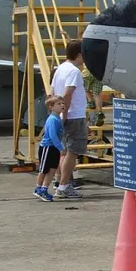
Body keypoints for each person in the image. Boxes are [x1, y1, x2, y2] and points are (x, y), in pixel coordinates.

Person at [49, 40, 90, 199]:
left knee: (64, 151)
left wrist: (57, 114)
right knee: (73, 152)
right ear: (79, 55)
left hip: (63, 115)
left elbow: (52, 93)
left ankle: (60, 181)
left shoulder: (60, 69)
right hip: (74, 116)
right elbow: (67, 94)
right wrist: (64, 114)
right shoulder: (74, 71)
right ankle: (64, 186)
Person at [33, 96, 65, 201]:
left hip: (54, 147)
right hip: (48, 147)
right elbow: (52, 135)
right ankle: (38, 188)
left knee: (52, 170)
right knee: (44, 169)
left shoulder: (58, 118)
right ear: (51, 107)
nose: (62, 105)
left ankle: (44, 188)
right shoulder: (52, 119)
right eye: (59, 104)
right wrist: (60, 147)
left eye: (63, 103)